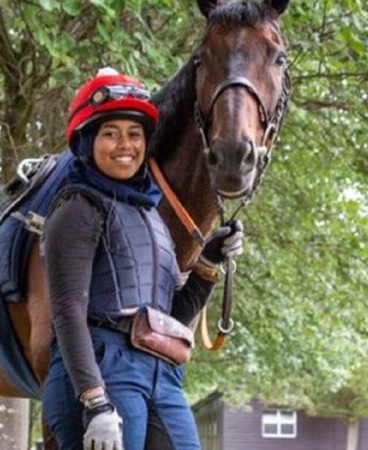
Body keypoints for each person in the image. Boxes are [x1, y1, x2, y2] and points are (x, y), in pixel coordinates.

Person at [41, 67, 244, 450]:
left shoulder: (151, 216)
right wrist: (94, 400)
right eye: (110, 133)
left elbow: (172, 319)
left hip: (160, 372)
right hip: (102, 369)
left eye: (134, 134)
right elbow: (67, 311)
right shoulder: (78, 207)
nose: (125, 145)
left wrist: (207, 262)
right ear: (87, 141)